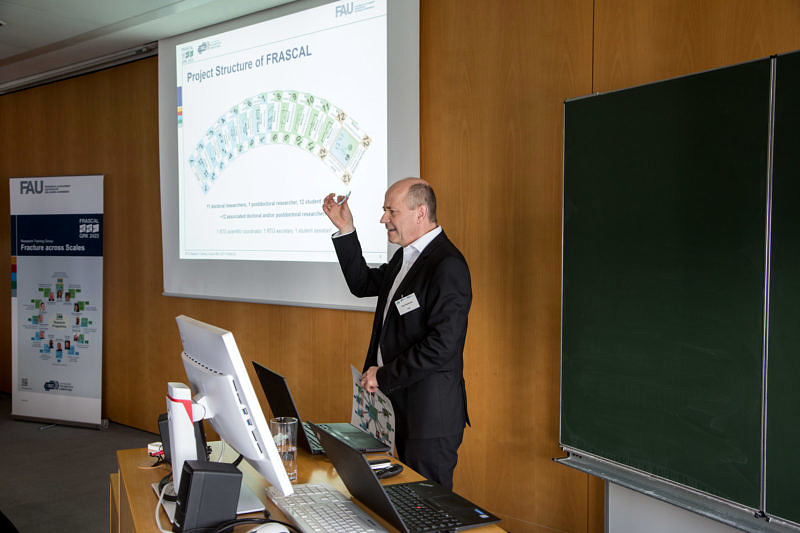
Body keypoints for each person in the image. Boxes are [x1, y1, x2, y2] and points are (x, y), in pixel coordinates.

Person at [322, 178, 472, 490]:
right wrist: (346, 229)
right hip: (393, 408)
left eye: (392, 211)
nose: (383, 219)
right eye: (384, 210)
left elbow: (442, 346)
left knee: (426, 509)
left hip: (428, 417)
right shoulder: (405, 257)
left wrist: (385, 375)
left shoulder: (447, 265)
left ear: (420, 213)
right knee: (395, 501)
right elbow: (362, 283)